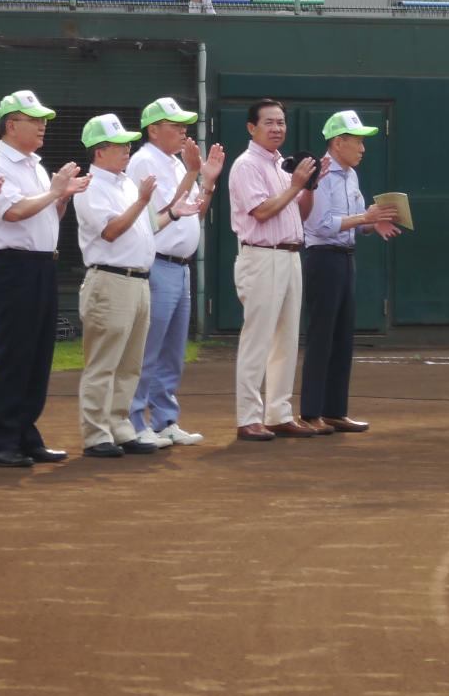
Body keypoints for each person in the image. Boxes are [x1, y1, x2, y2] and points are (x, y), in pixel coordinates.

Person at [0, 89, 88, 468]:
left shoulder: (35, 166)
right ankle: (0, 442)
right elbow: (12, 213)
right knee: (16, 354)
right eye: (34, 119)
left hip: (42, 266)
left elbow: (43, 216)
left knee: (40, 354)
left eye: (43, 119)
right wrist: (53, 192)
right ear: (12, 124)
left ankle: (26, 433)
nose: (43, 126)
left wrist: (61, 199)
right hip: (14, 268)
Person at [299, 110, 402, 436]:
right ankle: (311, 412)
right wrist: (364, 218)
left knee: (343, 337)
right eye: (357, 141)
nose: (362, 148)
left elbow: (357, 220)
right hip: (323, 259)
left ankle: (334, 411)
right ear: (338, 142)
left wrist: (375, 222)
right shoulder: (322, 174)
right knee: (321, 337)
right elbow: (321, 226)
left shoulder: (350, 175)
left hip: (345, 258)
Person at [129, 98, 222, 447]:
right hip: (158, 263)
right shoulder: (142, 161)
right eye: (174, 124)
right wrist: (193, 173)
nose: (183, 130)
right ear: (153, 129)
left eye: (184, 124)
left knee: (172, 351)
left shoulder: (175, 162)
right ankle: (136, 421)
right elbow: (158, 217)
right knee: (148, 349)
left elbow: (194, 213)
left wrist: (207, 180)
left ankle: (165, 419)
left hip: (180, 267)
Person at [226, 99, 317, 440]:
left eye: (281, 122)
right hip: (261, 255)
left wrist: (308, 186)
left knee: (287, 338)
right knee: (258, 339)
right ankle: (248, 417)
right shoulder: (246, 165)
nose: (277, 128)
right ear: (252, 127)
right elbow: (261, 212)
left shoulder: (283, 166)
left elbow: (301, 214)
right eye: (269, 122)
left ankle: (278, 413)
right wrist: (295, 184)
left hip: (291, 254)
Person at [73, 114, 164, 458]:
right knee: (104, 362)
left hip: (138, 280)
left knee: (130, 363)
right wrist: (141, 200)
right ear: (99, 151)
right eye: (118, 144)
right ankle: (95, 433)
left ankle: (120, 426)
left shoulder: (125, 183)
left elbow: (148, 227)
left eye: (127, 143)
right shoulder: (89, 186)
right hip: (109, 280)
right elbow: (110, 231)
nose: (127, 149)